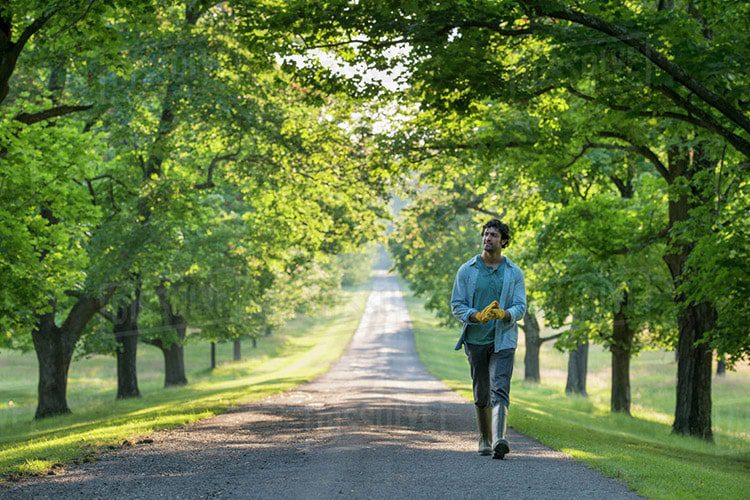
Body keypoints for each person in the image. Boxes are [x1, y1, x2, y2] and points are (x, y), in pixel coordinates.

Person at [450, 219, 527, 459]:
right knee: (482, 390)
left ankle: (499, 440)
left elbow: (520, 306)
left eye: (493, 235)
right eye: (485, 234)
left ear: (503, 241)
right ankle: (484, 437)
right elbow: (457, 305)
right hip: (475, 340)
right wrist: (475, 315)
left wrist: (506, 314)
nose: (488, 238)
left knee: (500, 387)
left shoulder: (514, 273)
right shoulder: (467, 270)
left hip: (503, 339)